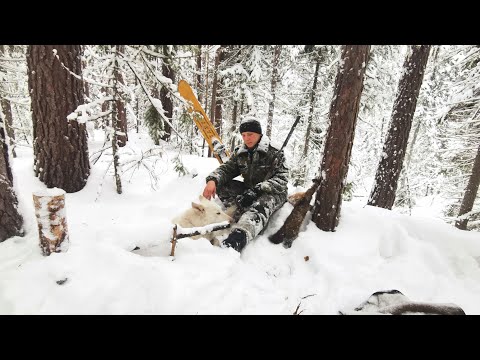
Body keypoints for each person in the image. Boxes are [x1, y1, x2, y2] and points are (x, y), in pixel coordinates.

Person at [202, 116, 289, 252]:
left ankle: (239, 237)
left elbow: (282, 179)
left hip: (272, 193)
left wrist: (259, 189)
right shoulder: (240, 152)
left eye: (250, 134)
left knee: (260, 206)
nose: (246, 138)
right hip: (249, 190)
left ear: (259, 134)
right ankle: (240, 210)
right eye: (243, 135)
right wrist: (213, 180)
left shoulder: (274, 151)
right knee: (222, 186)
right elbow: (227, 169)